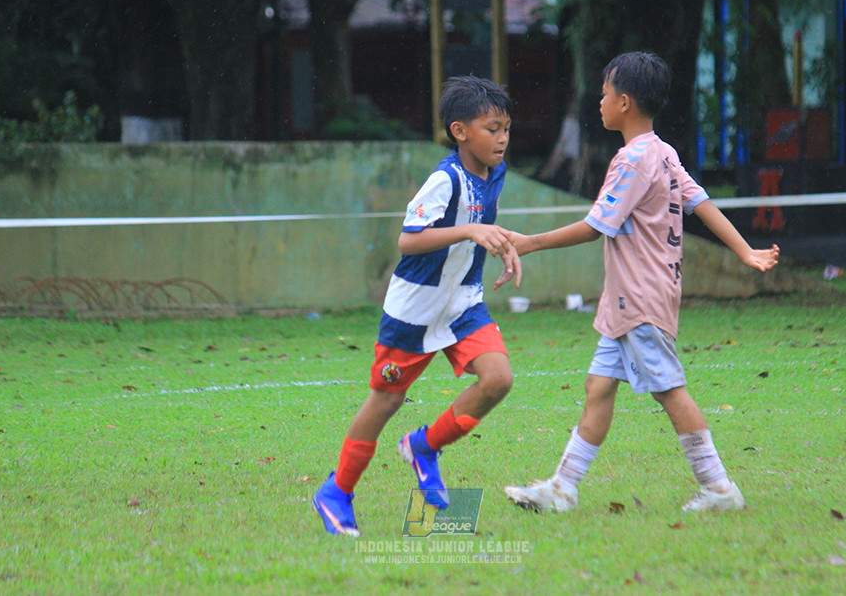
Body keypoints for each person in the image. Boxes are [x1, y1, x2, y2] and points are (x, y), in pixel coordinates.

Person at [504, 52, 780, 514]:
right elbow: (702, 203)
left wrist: (529, 242)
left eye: (606, 93)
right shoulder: (663, 151)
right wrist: (742, 249)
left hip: (640, 299)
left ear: (625, 102)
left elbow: (597, 225)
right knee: (599, 387)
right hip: (633, 298)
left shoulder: (632, 160)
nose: (600, 101)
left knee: (670, 390)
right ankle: (562, 488)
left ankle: (718, 488)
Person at [313, 75, 523, 536]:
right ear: (459, 131)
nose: (503, 138)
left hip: (463, 304)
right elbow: (409, 241)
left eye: (506, 127)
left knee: (498, 379)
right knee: (386, 400)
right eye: (492, 128)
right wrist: (471, 232)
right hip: (413, 312)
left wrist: (502, 243)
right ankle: (337, 492)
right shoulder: (443, 180)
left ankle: (424, 446)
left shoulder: (496, 173)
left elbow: (478, 226)